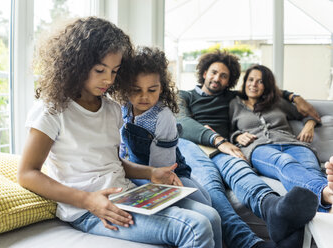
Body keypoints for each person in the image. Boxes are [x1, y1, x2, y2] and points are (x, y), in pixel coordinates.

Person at [17, 17, 218, 248]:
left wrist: (151, 172)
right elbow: (27, 174)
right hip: (90, 209)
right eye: (100, 70)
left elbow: (113, 161)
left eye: (115, 71)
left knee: (211, 216)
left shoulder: (111, 109)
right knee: (196, 226)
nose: (108, 79)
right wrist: (88, 201)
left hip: (128, 196)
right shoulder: (52, 110)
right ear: (76, 64)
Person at [177, 50, 320, 248]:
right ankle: (249, 243)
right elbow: (182, 121)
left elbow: (263, 90)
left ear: (229, 81)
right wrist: (219, 139)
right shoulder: (184, 95)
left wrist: (293, 96)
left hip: (223, 149)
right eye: (213, 72)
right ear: (204, 73)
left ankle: (274, 210)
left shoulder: (231, 98)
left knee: (241, 170)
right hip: (194, 146)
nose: (217, 78)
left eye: (223, 76)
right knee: (211, 185)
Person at [112, 46, 222, 248]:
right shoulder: (122, 108)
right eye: (136, 90)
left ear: (161, 88)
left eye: (152, 90)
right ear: (126, 89)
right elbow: (120, 149)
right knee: (206, 212)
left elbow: (161, 172)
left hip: (168, 172)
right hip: (140, 172)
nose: (144, 96)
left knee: (208, 207)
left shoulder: (162, 117)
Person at [229, 64, 332, 213]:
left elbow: (310, 114)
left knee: (312, 170)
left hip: (293, 144)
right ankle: (326, 196)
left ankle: (327, 214)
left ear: (266, 85)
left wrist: (309, 125)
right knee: (284, 162)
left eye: (260, 81)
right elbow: (228, 131)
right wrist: (237, 136)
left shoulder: (277, 102)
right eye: (250, 80)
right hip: (259, 147)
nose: (253, 84)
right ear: (244, 82)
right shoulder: (234, 104)